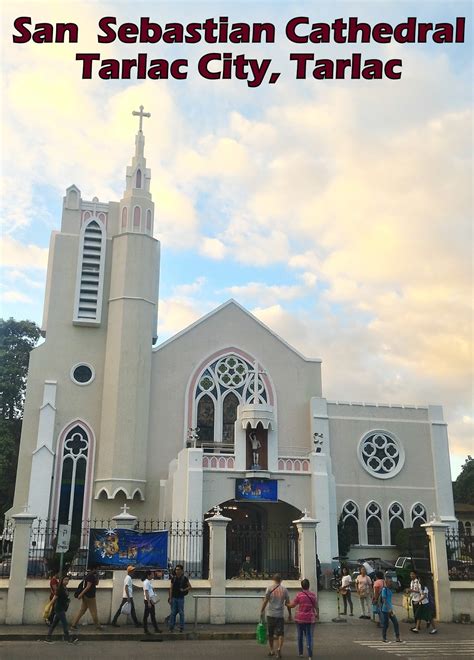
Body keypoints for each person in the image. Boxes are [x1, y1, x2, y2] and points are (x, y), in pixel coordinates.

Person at [260, 573, 291, 659]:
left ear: (273, 579)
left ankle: (271, 650)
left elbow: (266, 600)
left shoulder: (269, 588)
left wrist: (261, 610)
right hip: (280, 615)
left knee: (270, 634)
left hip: (270, 614)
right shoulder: (284, 590)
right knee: (280, 634)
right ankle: (279, 649)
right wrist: (290, 614)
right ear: (281, 580)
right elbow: (287, 603)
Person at [288, 579, 318, 659]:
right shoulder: (313, 595)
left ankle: (301, 653)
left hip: (300, 618)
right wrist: (317, 614)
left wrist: (287, 604)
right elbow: (316, 606)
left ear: (302, 586)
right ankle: (310, 655)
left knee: (300, 635)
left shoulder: (299, 595)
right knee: (309, 636)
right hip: (309, 618)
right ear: (309, 586)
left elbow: (293, 605)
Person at [45, 575, 78, 644]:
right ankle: (69, 639)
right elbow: (55, 598)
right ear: (62, 580)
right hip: (59, 608)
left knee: (54, 623)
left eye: (67, 580)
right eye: (65, 580)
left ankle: (48, 637)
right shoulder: (60, 589)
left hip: (62, 607)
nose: (66, 581)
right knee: (65, 623)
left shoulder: (65, 588)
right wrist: (49, 605)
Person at [70, 564, 102, 630]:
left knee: (82, 611)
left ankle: (73, 625)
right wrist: (81, 594)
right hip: (90, 596)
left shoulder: (90, 575)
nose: (98, 570)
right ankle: (98, 626)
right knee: (94, 611)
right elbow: (87, 587)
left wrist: (98, 576)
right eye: (97, 569)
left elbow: (96, 583)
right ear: (94, 569)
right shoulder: (90, 576)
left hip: (86, 596)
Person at [168, 564, 191, 632]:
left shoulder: (184, 578)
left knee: (181, 613)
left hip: (181, 598)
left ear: (181, 570)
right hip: (174, 598)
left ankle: (181, 627)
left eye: (178, 569)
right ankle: (171, 627)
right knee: (173, 613)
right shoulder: (173, 578)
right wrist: (170, 598)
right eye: (176, 569)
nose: (177, 571)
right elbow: (171, 588)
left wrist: (183, 590)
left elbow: (190, 586)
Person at [380, 575, 403, 644]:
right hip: (385, 610)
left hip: (390, 609)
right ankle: (384, 638)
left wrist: (391, 609)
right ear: (386, 582)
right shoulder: (384, 589)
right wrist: (388, 608)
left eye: (391, 581)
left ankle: (397, 637)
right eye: (390, 581)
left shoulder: (390, 590)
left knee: (395, 622)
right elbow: (384, 600)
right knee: (386, 624)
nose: (391, 582)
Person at [143, 569, 161, 634]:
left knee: (152, 615)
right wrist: (148, 602)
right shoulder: (146, 582)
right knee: (146, 615)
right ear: (148, 575)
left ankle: (155, 628)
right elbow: (146, 592)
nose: (153, 575)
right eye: (152, 574)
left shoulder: (149, 581)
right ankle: (146, 630)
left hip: (151, 600)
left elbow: (150, 591)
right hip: (148, 601)